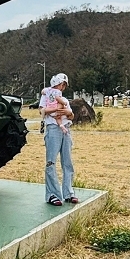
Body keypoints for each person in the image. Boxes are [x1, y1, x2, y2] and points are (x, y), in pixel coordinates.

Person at [40, 73, 77, 206]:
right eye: (62, 84)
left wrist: (68, 113)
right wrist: (56, 108)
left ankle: (68, 192)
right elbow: (42, 111)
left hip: (66, 129)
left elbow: (71, 116)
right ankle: (52, 194)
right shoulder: (46, 96)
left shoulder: (64, 98)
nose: (62, 87)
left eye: (64, 85)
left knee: (67, 161)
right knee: (51, 162)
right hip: (53, 129)